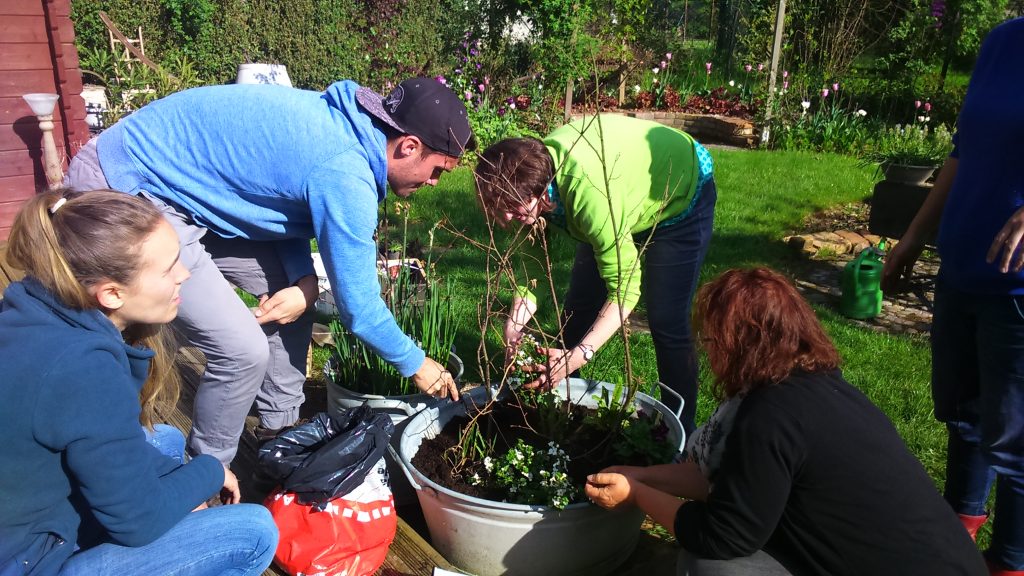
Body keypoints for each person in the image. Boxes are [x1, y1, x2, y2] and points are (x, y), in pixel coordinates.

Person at [64, 76, 471, 466]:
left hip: (183, 192)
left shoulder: (348, 129)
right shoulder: (346, 173)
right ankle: (206, 479)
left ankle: (279, 435)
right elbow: (359, 307)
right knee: (242, 351)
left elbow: (278, 205)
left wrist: (305, 281)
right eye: (437, 171)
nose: (435, 183)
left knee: (291, 294)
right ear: (408, 146)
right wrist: (417, 364)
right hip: (127, 190)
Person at [584, 267, 987, 576]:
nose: (706, 354)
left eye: (710, 341)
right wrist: (643, 475)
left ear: (740, 345)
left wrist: (636, 494)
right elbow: (728, 485)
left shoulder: (770, 417)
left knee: (711, 566)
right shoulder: (812, 387)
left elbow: (722, 535)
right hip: (952, 563)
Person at [0, 189, 277, 575]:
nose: (183, 274)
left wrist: (185, 485)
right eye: (167, 269)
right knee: (254, 531)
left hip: (23, 517)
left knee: (166, 439)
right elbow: (139, 522)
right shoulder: (83, 367)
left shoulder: (31, 308)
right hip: (26, 560)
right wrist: (211, 471)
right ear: (112, 293)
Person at [881, 17, 1024, 575]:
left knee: (1015, 444)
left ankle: (1009, 563)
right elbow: (963, 154)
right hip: (962, 263)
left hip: (1017, 287)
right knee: (963, 416)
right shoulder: (1002, 40)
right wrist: (914, 237)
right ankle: (957, 536)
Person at [474, 114, 716, 433]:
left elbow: (625, 290)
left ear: (542, 193)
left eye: (511, 206)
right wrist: (514, 326)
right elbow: (533, 274)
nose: (504, 216)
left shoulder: (589, 196)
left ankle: (680, 430)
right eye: (497, 205)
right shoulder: (528, 188)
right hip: (619, 193)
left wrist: (581, 354)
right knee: (579, 310)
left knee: (666, 319)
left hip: (677, 191)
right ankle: (563, 411)